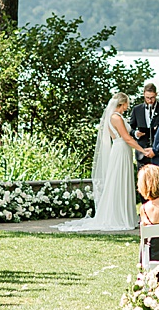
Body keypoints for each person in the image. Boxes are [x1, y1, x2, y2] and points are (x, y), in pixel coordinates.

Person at [58, 92, 148, 231]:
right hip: (121, 150)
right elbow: (126, 138)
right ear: (122, 104)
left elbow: (127, 135)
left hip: (120, 150)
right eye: (126, 104)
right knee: (119, 182)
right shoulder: (116, 117)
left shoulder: (112, 117)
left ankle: (125, 215)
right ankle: (120, 217)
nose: (127, 106)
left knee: (121, 181)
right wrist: (143, 150)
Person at [129, 83, 159, 167]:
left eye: (152, 98)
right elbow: (130, 128)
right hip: (142, 151)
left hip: (158, 151)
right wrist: (135, 133)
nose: (150, 100)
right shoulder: (137, 109)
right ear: (144, 94)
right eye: (147, 97)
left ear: (156, 94)